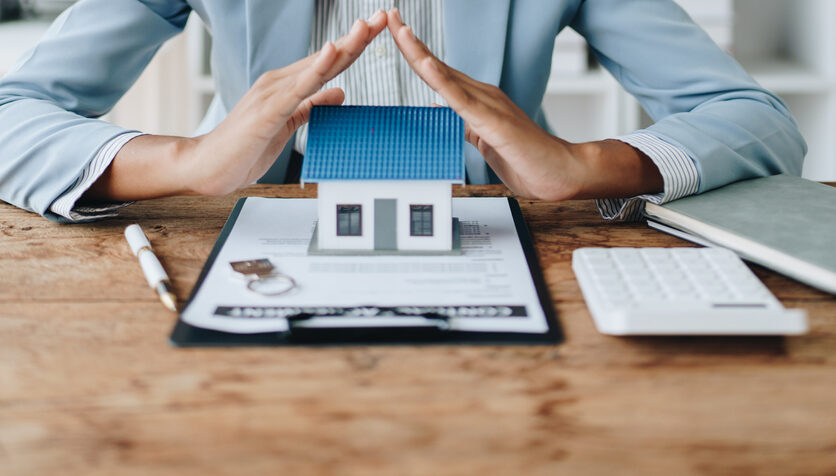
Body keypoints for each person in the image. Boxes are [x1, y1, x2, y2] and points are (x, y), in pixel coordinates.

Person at [0, 1, 805, 223]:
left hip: (501, 225)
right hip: (256, 224)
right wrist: (186, 161)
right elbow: (12, 113)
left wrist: (592, 165)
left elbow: (755, 118)